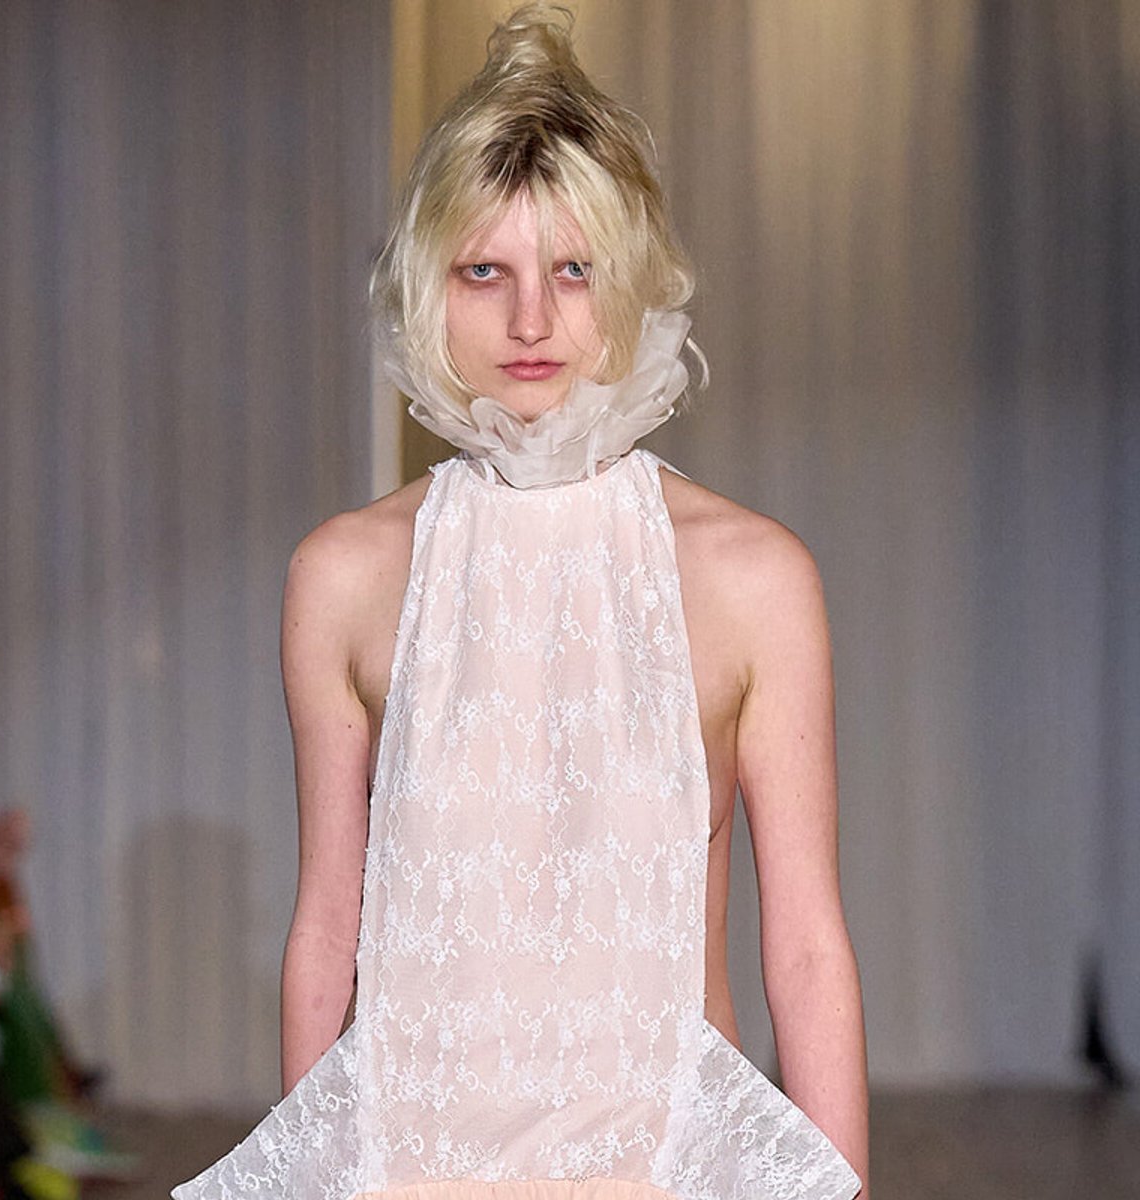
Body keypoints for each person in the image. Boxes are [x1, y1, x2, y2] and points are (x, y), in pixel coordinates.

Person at [173, 6, 868, 1199]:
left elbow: (805, 947)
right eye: (485, 270)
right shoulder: (343, 575)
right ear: (426, 288)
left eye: (573, 269)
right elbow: (328, 928)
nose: (532, 320)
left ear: (633, 278)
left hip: (659, 1175)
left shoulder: (754, 578)